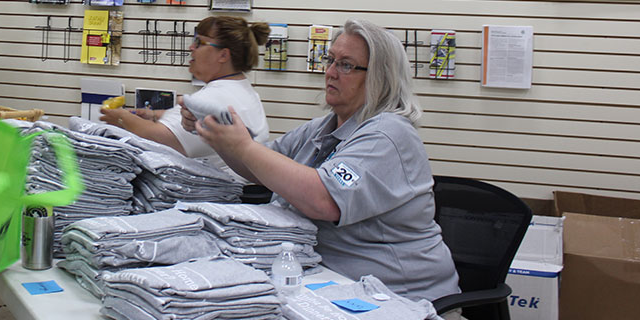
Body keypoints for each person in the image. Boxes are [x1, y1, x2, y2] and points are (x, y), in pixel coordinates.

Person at [188, 18, 459, 304]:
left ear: (380, 76)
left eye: (346, 65)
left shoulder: (389, 134)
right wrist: (217, 135)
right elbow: (258, 169)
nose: (330, 72)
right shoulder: (324, 127)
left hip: (399, 299)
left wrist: (242, 146)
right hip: (333, 284)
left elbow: (324, 200)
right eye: (330, 61)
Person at [100, 16, 271, 180]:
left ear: (223, 55)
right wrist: (155, 115)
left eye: (199, 43)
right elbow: (196, 124)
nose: (191, 47)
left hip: (214, 194)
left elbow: (159, 138)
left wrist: (122, 118)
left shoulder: (212, 97)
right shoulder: (242, 90)